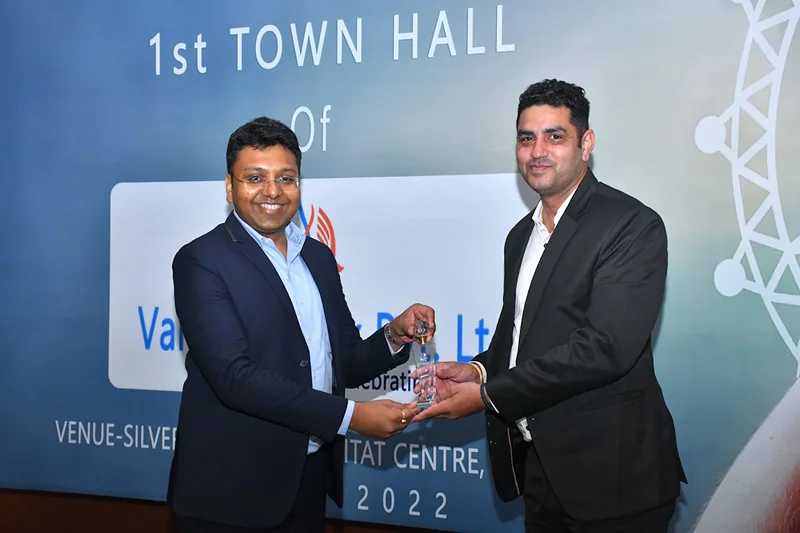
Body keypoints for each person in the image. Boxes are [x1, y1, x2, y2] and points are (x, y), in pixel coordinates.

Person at [412, 79, 686, 532]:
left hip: (614, 482)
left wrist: (488, 396)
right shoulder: (520, 236)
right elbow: (522, 337)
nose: (537, 151)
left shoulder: (631, 225)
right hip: (541, 472)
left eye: (554, 136)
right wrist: (478, 371)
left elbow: (606, 347)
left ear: (586, 144)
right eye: (526, 138)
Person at [167, 116, 433, 533]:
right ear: (229, 187)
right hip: (229, 493)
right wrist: (352, 417)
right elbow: (234, 378)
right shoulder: (201, 260)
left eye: (285, 178)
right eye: (255, 177)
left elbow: (344, 362)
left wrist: (392, 336)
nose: (272, 191)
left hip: (307, 480)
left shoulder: (318, 257)